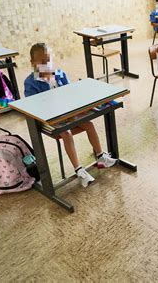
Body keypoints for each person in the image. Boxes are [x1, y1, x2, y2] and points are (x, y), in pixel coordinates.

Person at [24, 43, 117, 187]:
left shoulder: (60, 74)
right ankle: (79, 170)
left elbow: (71, 95)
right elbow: (35, 108)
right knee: (66, 133)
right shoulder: (30, 83)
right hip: (49, 121)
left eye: (48, 60)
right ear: (32, 63)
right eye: (41, 61)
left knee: (88, 123)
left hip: (67, 114)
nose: (46, 64)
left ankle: (100, 157)